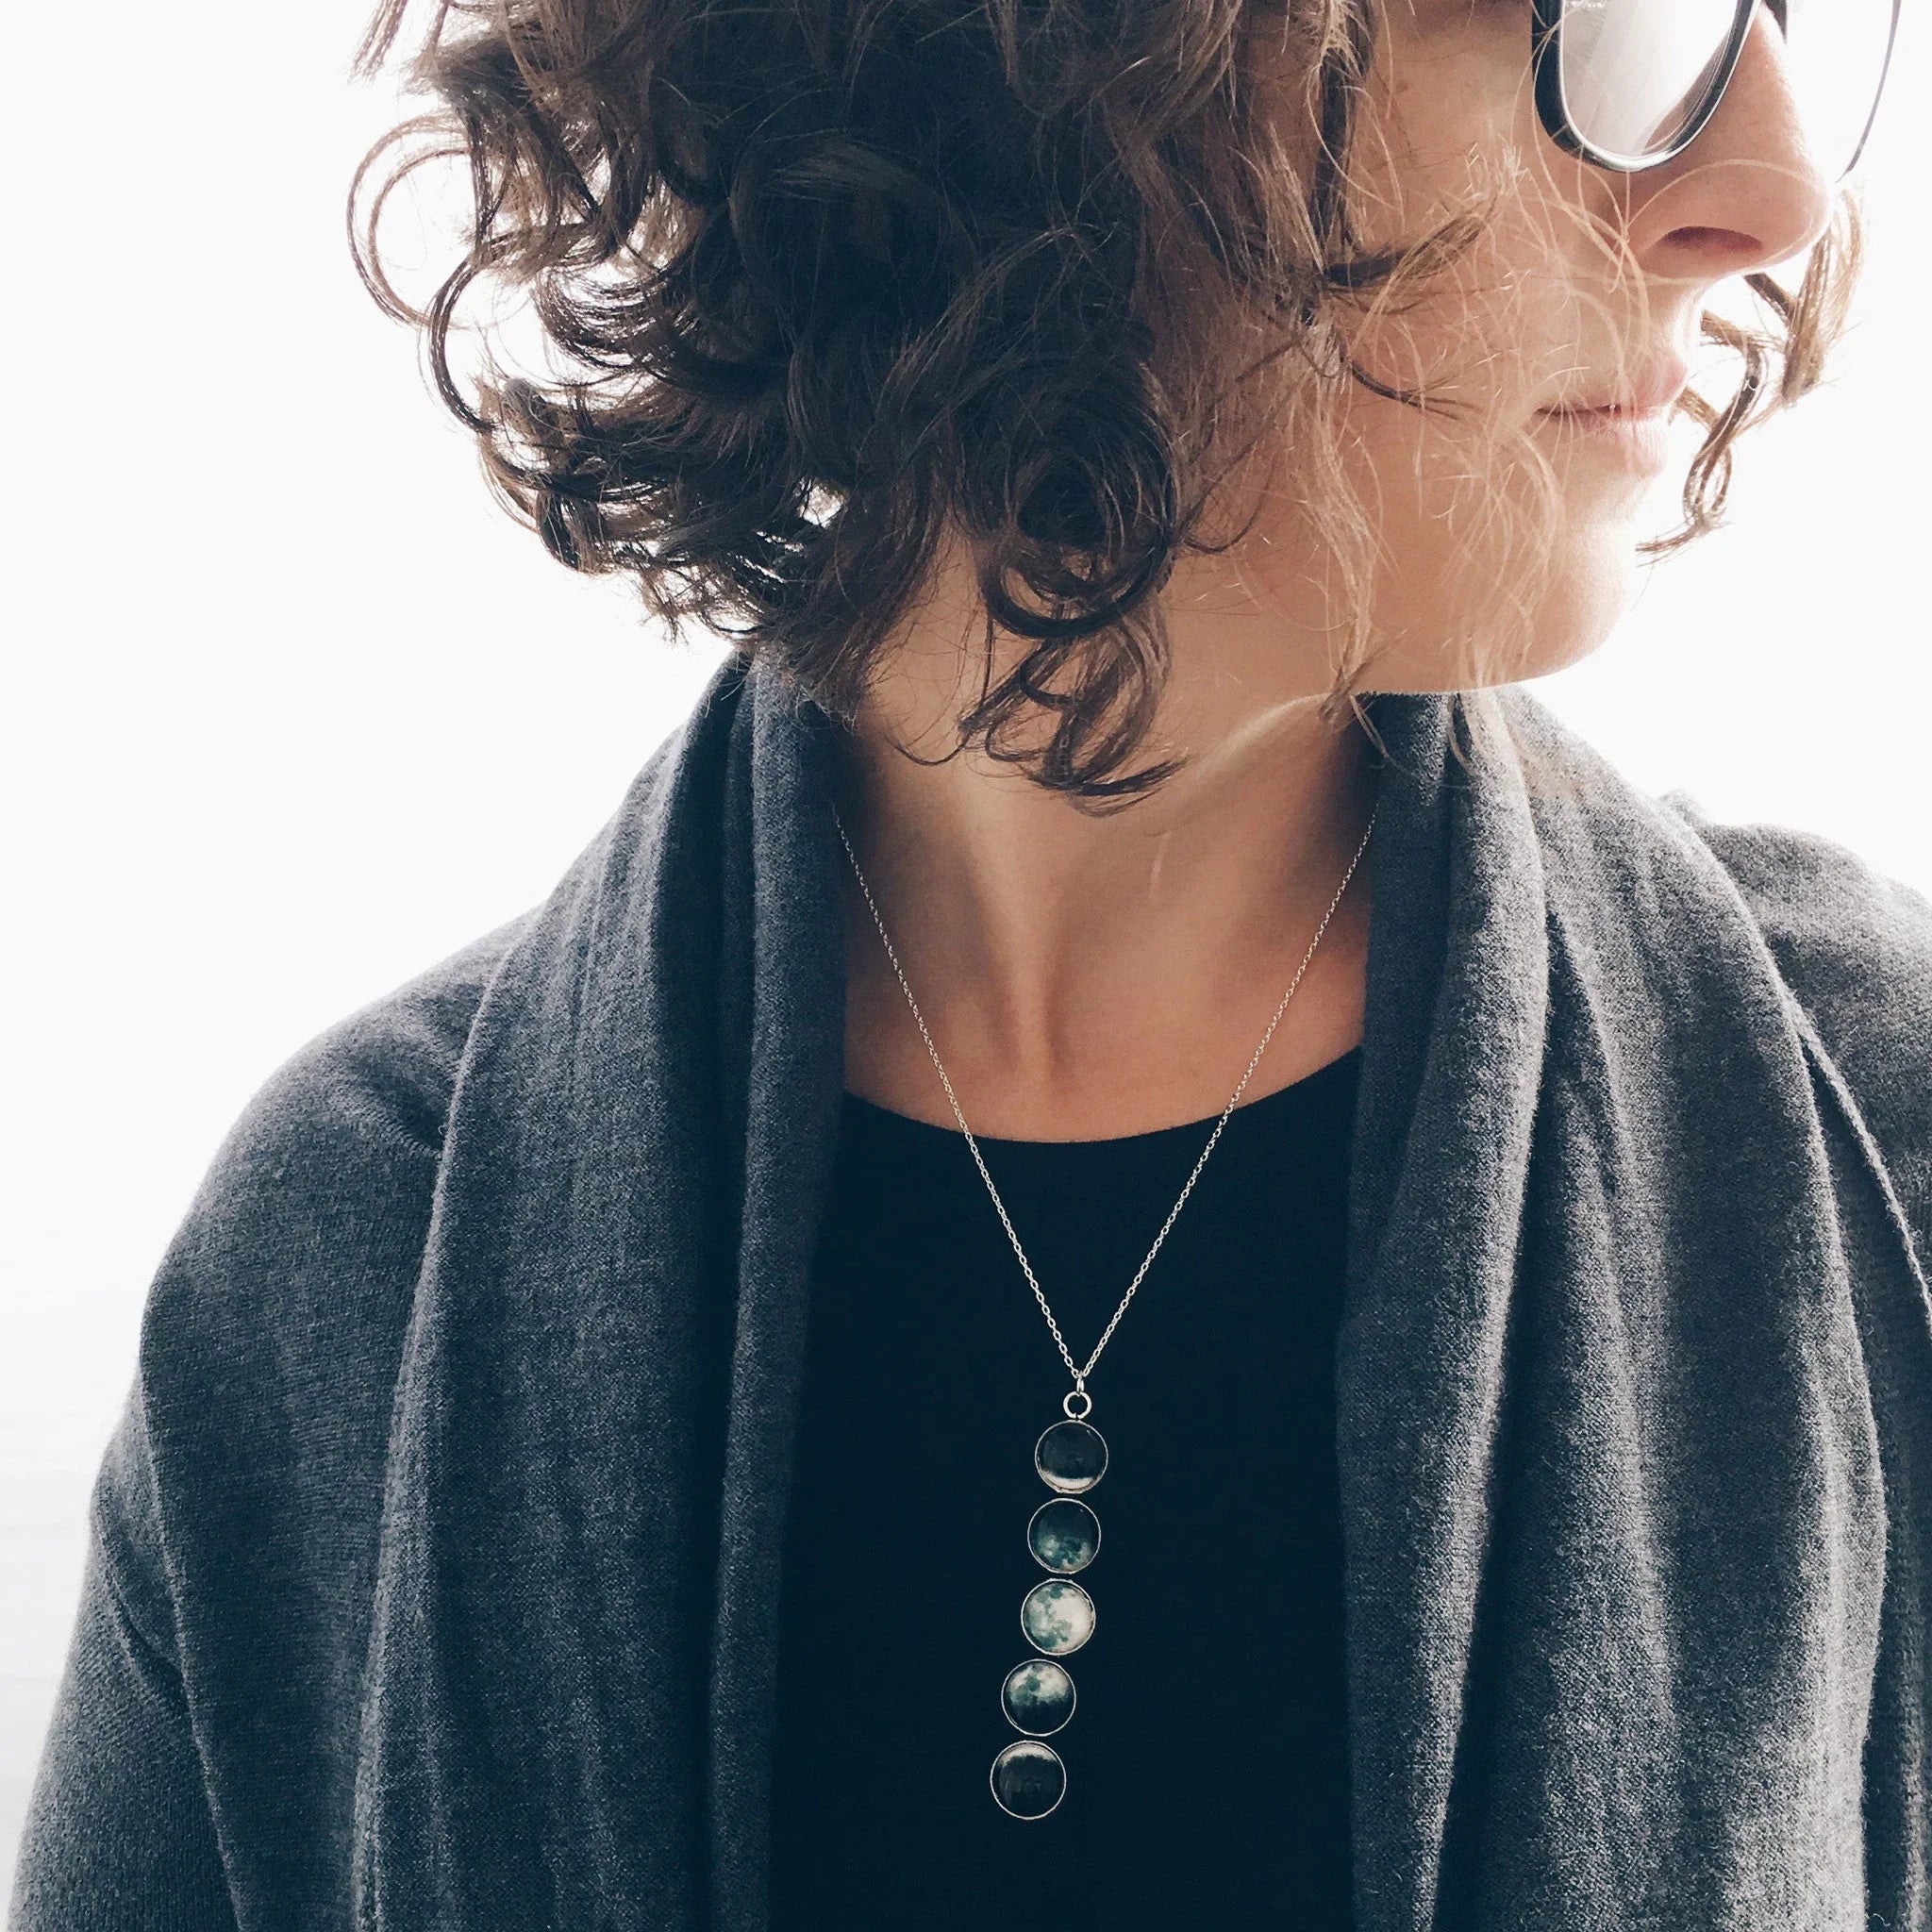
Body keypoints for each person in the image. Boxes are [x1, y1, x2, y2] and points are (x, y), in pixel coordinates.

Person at [12, 0, 1926, 1927]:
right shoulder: (347, 1263)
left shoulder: (1871, 1146)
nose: (1774, 192)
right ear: (1041, 71)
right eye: (1615, 21)